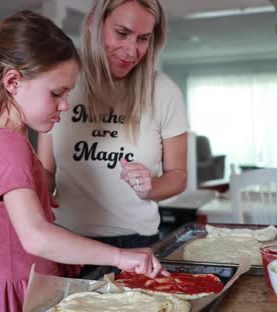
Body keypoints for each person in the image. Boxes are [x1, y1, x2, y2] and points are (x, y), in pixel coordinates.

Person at [0, 10, 165, 312]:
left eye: (67, 94)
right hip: (17, 295)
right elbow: (35, 237)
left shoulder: (1, 138)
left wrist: (40, 195)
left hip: (26, 284)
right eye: (56, 93)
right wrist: (121, 257)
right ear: (13, 81)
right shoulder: (7, 144)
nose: (65, 105)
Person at [37, 0, 189, 249]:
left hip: (136, 242)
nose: (131, 52)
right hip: (67, 240)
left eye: (143, 39)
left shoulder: (163, 90)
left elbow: (178, 176)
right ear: (92, 24)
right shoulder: (64, 81)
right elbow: (47, 173)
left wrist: (152, 187)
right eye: (122, 33)